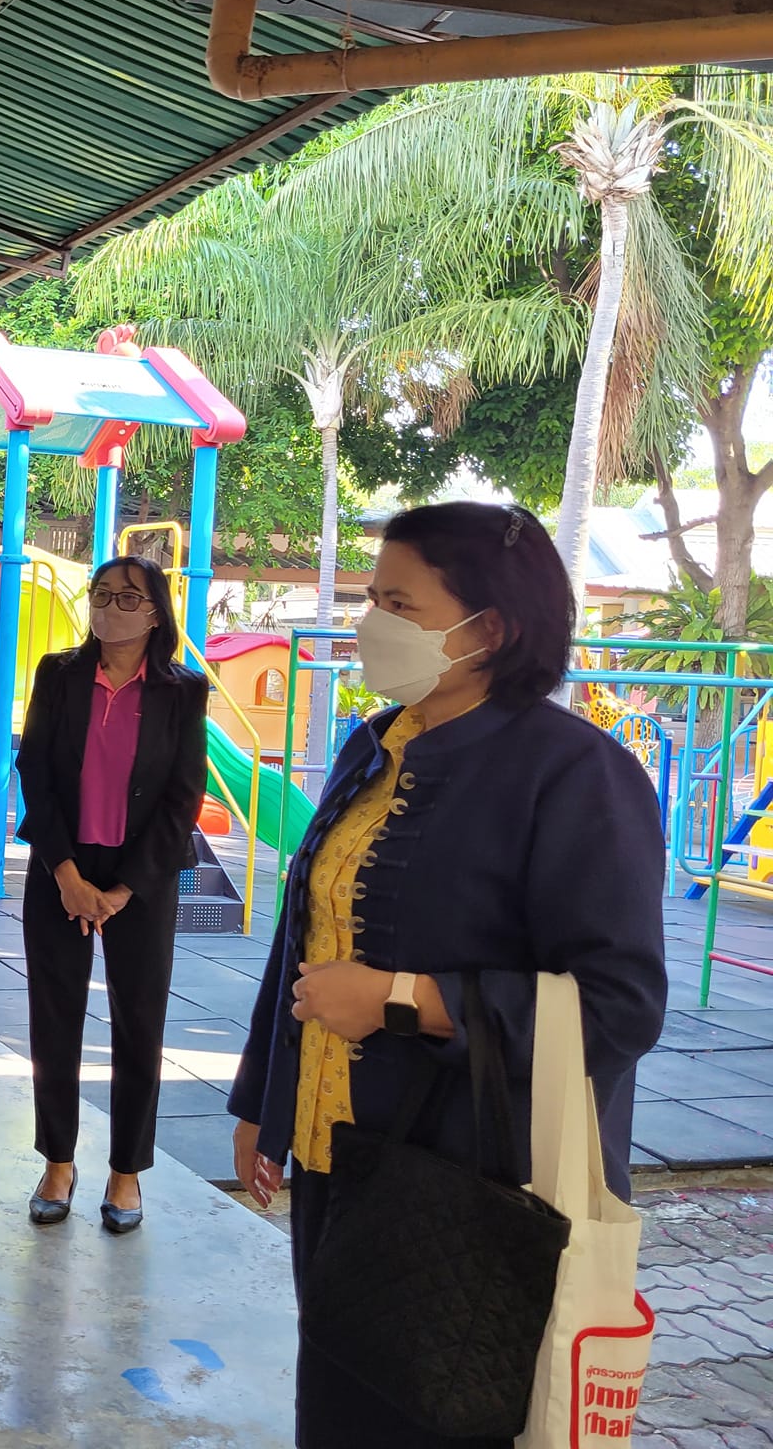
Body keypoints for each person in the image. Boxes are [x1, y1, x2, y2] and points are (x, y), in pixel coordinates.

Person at [227, 502, 666, 1449]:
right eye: (371, 597)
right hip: (336, 1154)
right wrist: (264, 1100)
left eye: (399, 604)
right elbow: (307, 934)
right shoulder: (375, 745)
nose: (369, 623)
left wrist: (404, 1000)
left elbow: (620, 1007)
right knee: (338, 1405)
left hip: (466, 1184)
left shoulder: (576, 773)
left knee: (436, 1416)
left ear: (488, 630)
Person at [15, 556, 207, 1232]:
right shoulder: (59, 674)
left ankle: (126, 1171)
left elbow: (184, 795)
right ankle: (57, 1161)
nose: (110, 607)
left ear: (155, 612)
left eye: (128, 598)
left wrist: (126, 889)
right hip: (61, 865)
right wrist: (66, 874)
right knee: (54, 1018)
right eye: (101, 594)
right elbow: (34, 770)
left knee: (140, 1023)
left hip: (141, 875)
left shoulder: (183, 690)